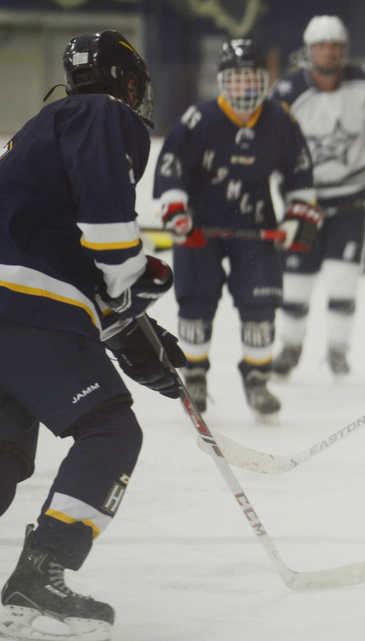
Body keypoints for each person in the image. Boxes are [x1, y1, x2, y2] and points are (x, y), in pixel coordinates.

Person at [0, 31, 186, 639]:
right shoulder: (104, 115)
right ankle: (40, 574)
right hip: (24, 307)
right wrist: (135, 286)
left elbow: (61, 251)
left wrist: (132, 328)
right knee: (110, 429)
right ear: (128, 82)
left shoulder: (34, 132)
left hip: (18, 305)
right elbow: (107, 238)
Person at [153, 38, 320, 417]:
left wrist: (298, 215)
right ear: (224, 81)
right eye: (237, 79)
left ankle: (257, 380)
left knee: (260, 306)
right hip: (200, 228)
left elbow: (299, 174)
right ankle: (194, 374)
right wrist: (176, 208)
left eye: (252, 78)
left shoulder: (280, 121)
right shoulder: (200, 120)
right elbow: (171, 168)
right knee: (194, 304)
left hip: (257, 226)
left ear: (264, 80)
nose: (245, 87)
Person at [270, 14, 365, 378]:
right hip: (304, 203)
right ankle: (290, 349)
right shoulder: (288, 94)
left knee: (342, 279)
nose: (330, 53)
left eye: (336, 46)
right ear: (309, 51)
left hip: (351, 201)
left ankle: (338, 352)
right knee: (296, 282)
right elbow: (271, 146)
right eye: (322, 46)